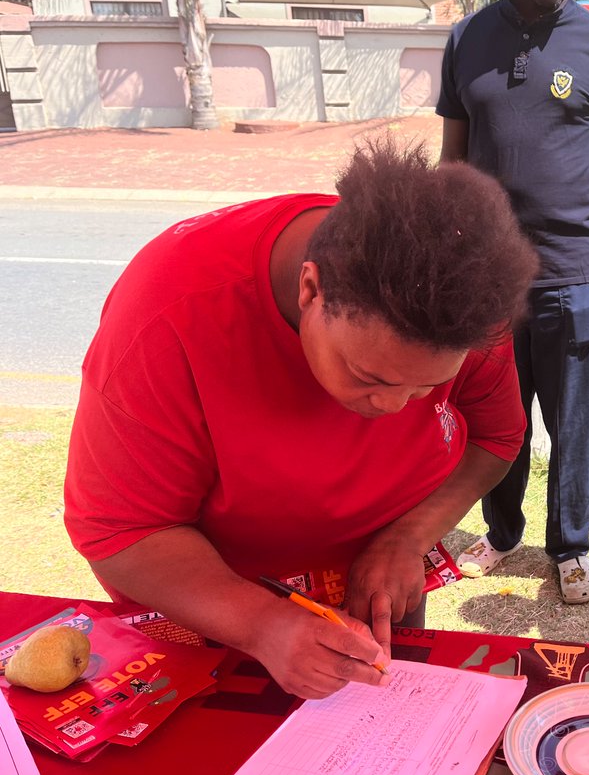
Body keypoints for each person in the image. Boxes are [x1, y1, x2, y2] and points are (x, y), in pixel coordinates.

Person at [63, 141, 539, 699]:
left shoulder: (461, 295)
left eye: (427, 387)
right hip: (216, 598)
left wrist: (406, 539)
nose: (392, 408)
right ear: (311, 289)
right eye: (372, 378)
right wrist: (261, 624)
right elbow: (122, 530)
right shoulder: (170, 313)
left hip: (378, 574)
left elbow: (497, 435)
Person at [438, 0, 589, 605]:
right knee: (497, 419)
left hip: (577, 272)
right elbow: (451, 159)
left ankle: (572, 548)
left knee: (575, 423)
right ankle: (501, 534)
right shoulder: (467, 40)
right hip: (490, 278)